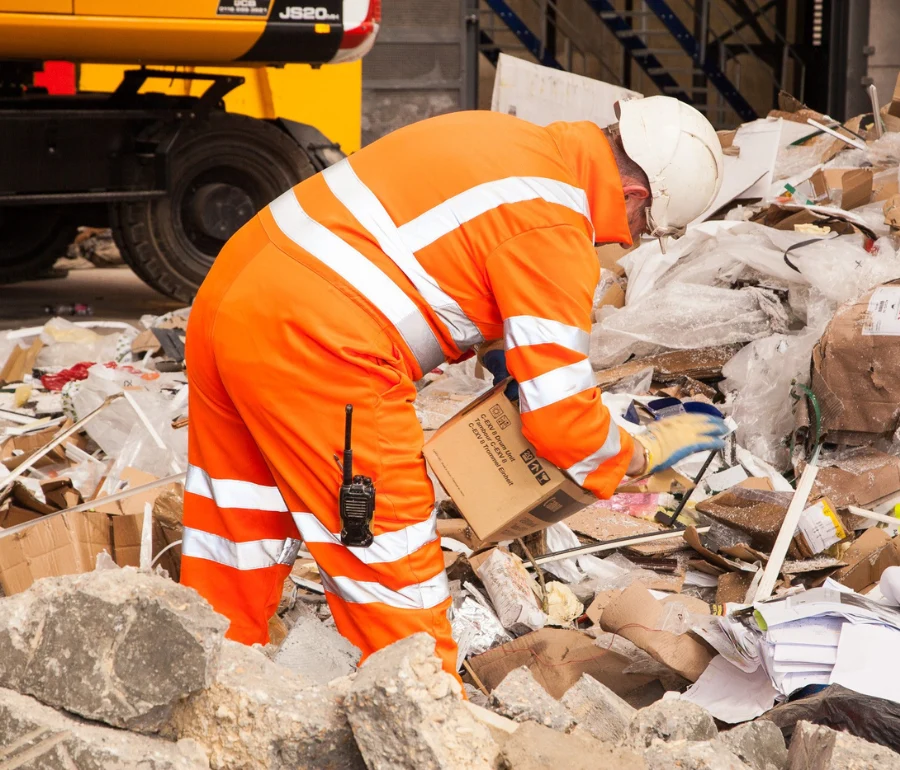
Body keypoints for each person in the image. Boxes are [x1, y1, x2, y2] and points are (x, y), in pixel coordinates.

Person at [180, 96, 728, 677]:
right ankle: (429, 715)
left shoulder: (504, 139)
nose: (632, 240)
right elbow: (564, 422)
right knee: (388, 549)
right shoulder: (556, 221)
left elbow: (441, 255)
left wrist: (504, 357)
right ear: (636, 198)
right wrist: (643, 453)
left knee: (237, 517)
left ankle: (208, 676)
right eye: (646, 229)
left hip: (232, 301)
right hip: (321, 341)